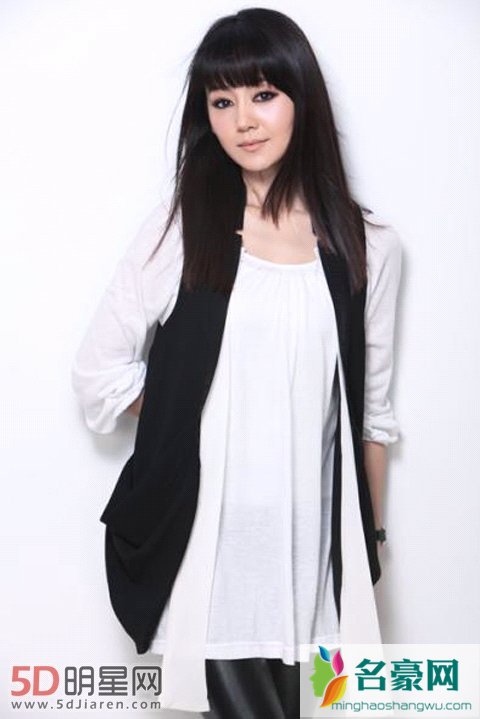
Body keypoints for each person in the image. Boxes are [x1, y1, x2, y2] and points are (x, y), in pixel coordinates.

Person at [71, 8, 402, 718]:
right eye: (222, 102)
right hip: (211, 550)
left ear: (301, 99)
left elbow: (369, 416)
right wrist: (188, 400)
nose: (244, 120)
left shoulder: (367, 243)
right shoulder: (181, 229)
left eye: (263, 94)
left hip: (313, 557)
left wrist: (371, 545)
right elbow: (99, 374)